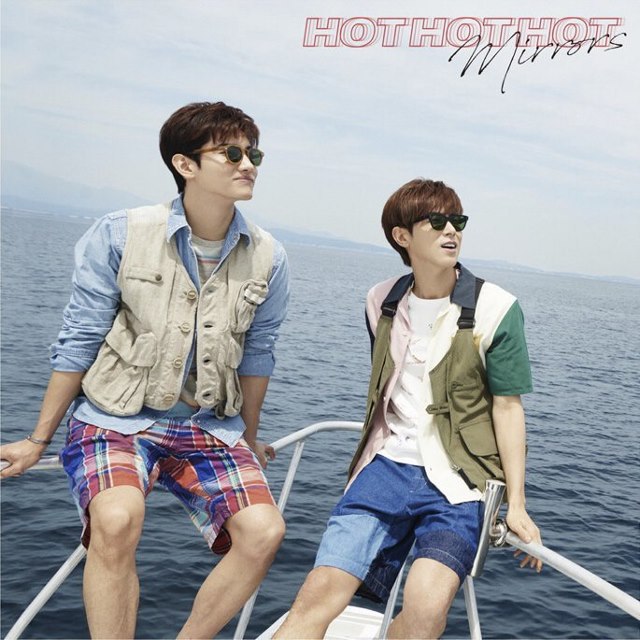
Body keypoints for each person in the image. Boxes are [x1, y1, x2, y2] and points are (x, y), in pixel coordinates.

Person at [0, 101, 290, 639]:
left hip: (208, 427)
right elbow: (81, 337)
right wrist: (38, 440)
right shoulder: (121, 234)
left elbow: (258, 354)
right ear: (185, 164)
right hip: (116, 419)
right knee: (116, 520)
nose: (248, 163)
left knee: (265, 531)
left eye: (254, 154)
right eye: (232, 153)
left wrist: (249, 437)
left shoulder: (269, 256)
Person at [274, 178, 541, 639]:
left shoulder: (497, 309)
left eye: (457, 221)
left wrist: (516, 504)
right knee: (317, 595)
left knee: (425, 611)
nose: (451, 231)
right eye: (436, 222)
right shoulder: (381, 301)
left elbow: (508, 408)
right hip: (384, 470)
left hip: (460, 483)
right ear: (402, 236)